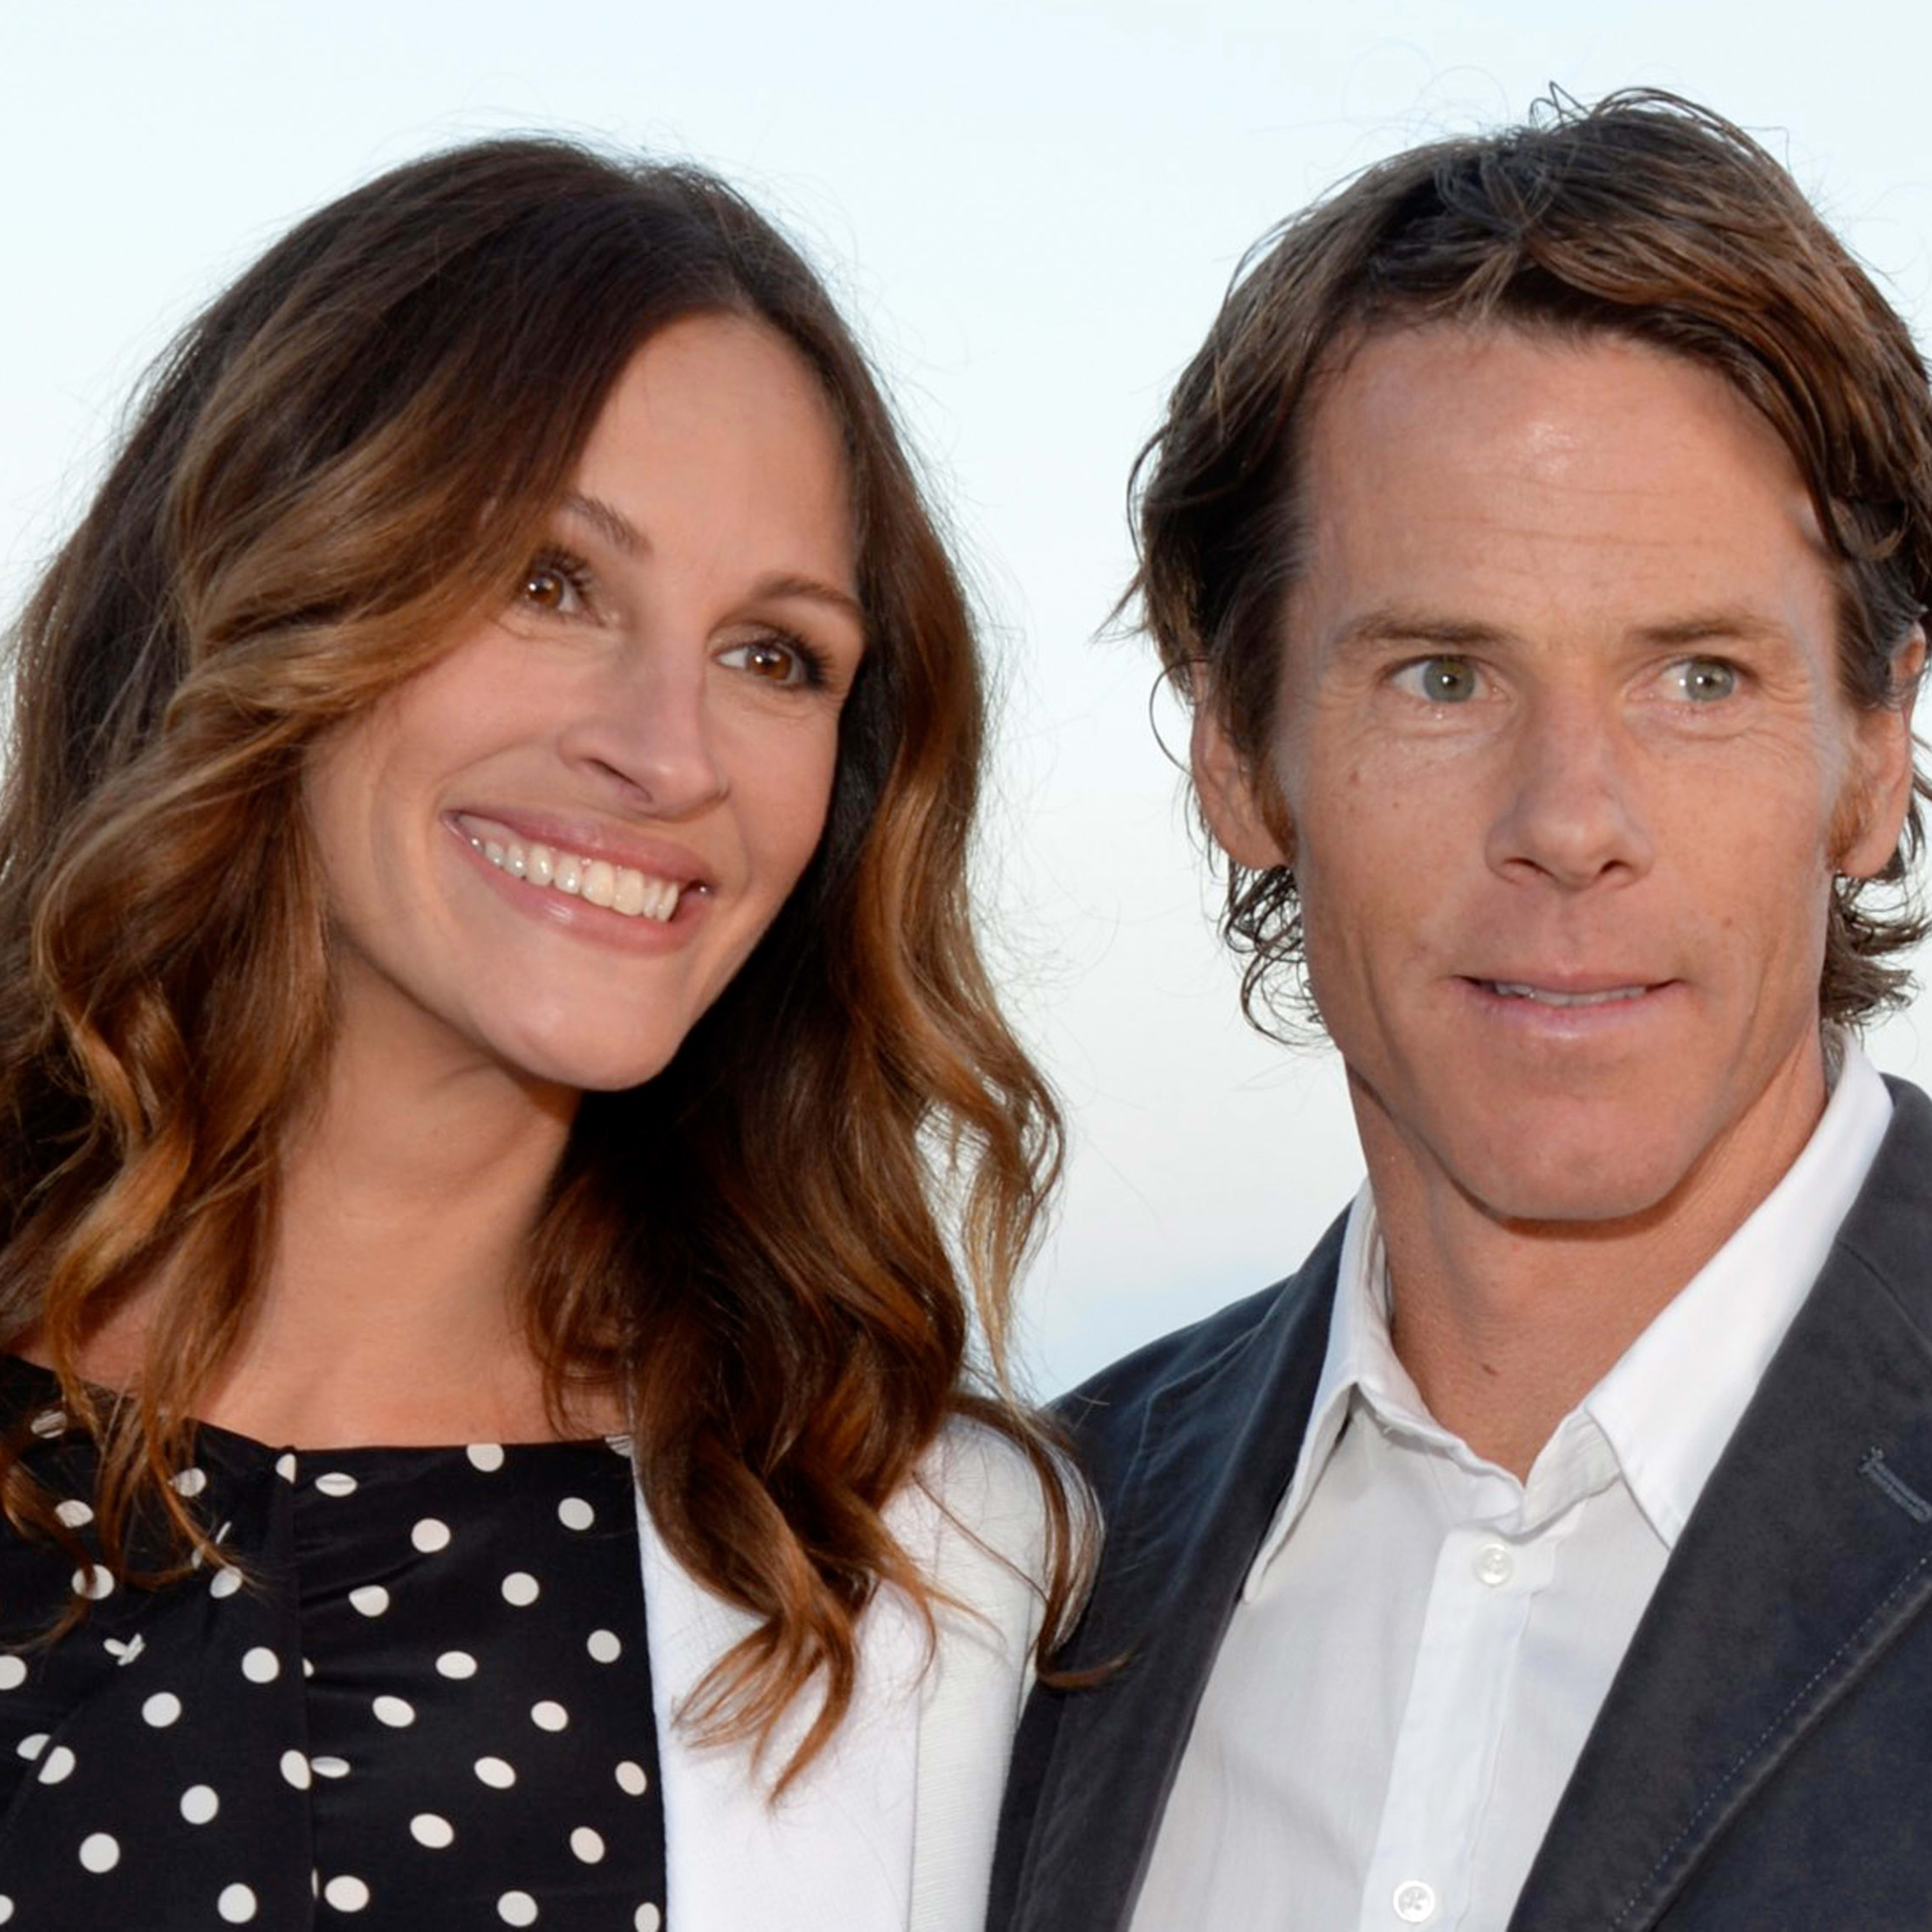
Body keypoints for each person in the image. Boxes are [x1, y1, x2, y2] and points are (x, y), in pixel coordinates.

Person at [0, 137, 1082, 1931]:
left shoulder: (930, 1568)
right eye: (550, 581)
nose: (669, 754)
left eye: (775, 654)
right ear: (277, 582)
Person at [990, 90, 1932, 1932]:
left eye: (1698, 677)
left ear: (1875, 756)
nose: (1570, 820)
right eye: (1442, 676)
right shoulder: (1023, 1577)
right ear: (1239, 756)